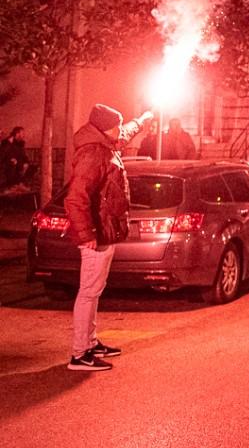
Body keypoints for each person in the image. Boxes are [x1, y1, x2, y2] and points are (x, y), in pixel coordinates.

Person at [64, 104, 152, 371]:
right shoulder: (93, 153)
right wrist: (87, 234)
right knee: (88, 293)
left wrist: (143, 120)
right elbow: (76, 198)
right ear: (104, 128)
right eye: (117, 124)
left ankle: (90, 343)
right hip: (96, 234)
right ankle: (80, 354)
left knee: (94, 291)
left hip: (105, 231)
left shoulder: (105, 143)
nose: (120, 129)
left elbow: (125, 133)